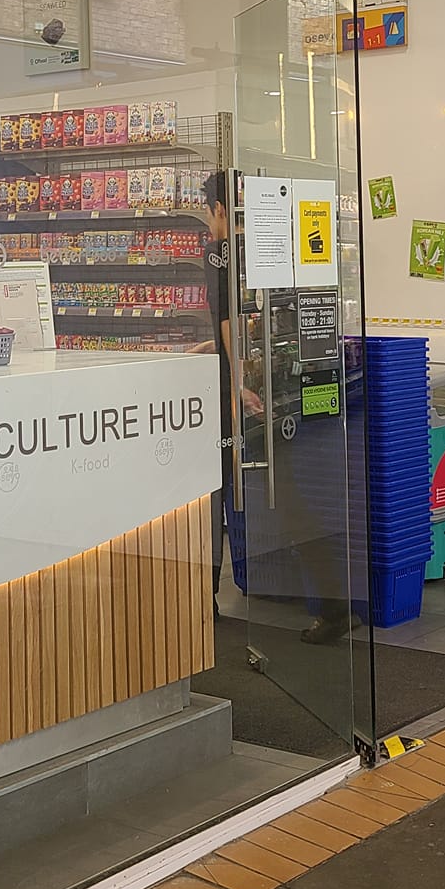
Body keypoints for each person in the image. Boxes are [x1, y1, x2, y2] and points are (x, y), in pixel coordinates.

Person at [196, 172, 261, 617]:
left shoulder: (218, 252)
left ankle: (207, 594)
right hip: (260, 374)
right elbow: (243, 321)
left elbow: (225, 320)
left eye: (208, 213)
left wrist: (235, 382)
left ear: (218, 209)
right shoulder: (256, 248)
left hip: (230, 385)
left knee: (216, 487)